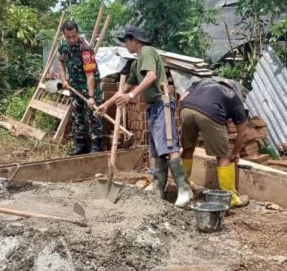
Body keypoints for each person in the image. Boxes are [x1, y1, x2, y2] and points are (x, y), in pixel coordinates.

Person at [96, 26, 193, 208]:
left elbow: (151, 76)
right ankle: (158, 190)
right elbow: (124, 90)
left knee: (169, 145)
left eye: (126, 40)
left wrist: (131, 97)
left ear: (134, 40)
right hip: (152, 108)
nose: (125, 44)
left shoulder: (147, 51)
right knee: (157, 150)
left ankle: (184, 188)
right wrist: (105, 105)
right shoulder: (136, 62)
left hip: (161, 104)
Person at [179, 78, 250, 207]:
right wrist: (235, 153)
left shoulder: (203, 82)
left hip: (186, 108)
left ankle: (184, 186)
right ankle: (231, 198)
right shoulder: (234, 98)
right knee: (223, 156)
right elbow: (243, 132)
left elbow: (181, 98)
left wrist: (182, 119)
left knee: (188, 149)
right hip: (210, 113)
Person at [58, 21, 103, 156]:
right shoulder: (63, 46)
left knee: (94, 115)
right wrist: (63, 79)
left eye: (74, 36)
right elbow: (60, 61)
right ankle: (81, 145)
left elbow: (90, 76)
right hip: (74, 86)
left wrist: (91, 97)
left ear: (78, 33)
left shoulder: (85, 49)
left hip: (90, 86)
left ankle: (96, 146)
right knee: (77, 116)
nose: (71, 40)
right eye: (68, 37)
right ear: (64, 35)